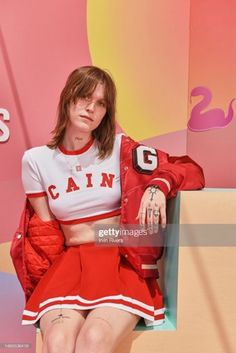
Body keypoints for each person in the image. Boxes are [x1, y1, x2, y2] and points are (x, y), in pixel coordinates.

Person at [14, 66, 205, 353]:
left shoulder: (120, 149)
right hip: (69, 266)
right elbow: (45, 234)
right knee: (57, 341)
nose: (91, 108)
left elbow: (190, 170)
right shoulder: (36, 160)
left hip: (119, 262)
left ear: (106, 113)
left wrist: (158, 186)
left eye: (101, 103)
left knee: (94, 339)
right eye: (84, 97)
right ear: (68, 98)